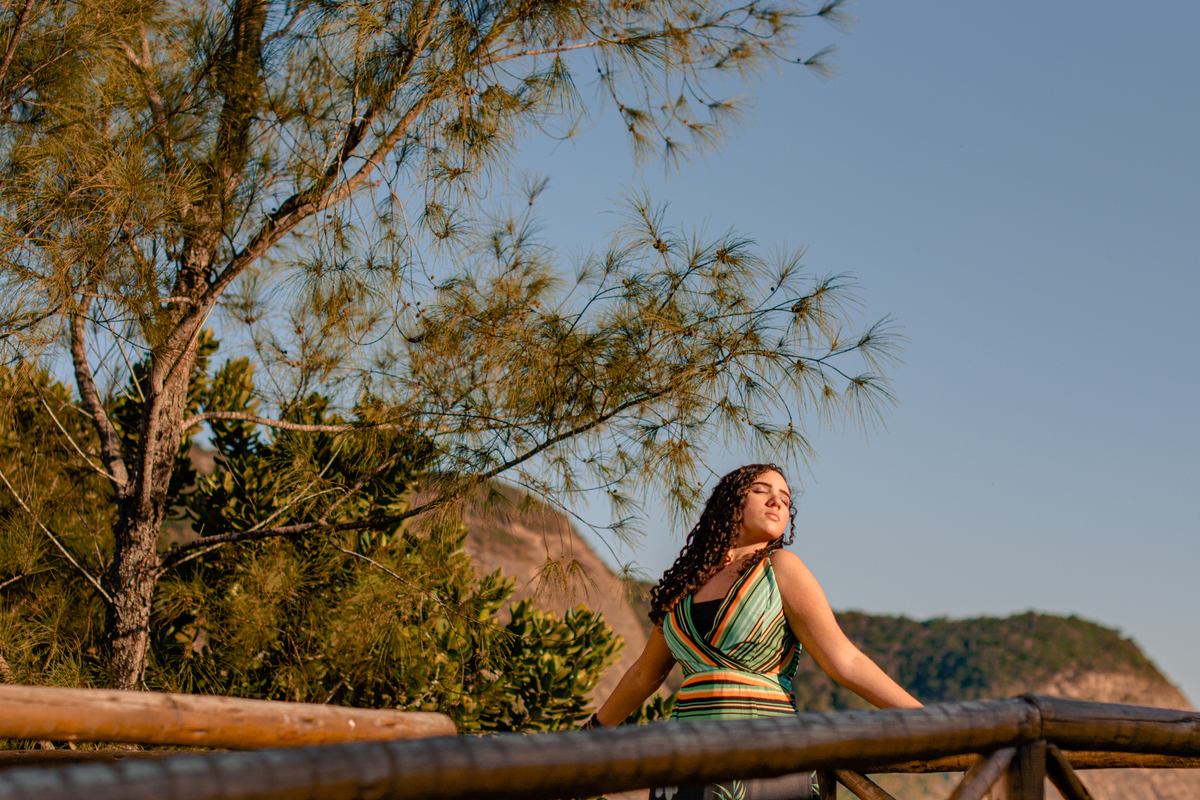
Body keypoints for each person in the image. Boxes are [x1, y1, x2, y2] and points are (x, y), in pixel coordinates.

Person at [584, 464, 922, 800]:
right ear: (732, 503)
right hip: (687, 755)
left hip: (766, 751)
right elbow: (646, 673)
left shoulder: (783, 569)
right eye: (763, 491)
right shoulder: (684, 586)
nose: (777, 502)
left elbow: (844, 660)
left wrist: (926, 722)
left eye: (786, 500)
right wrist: (590, 736)